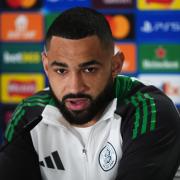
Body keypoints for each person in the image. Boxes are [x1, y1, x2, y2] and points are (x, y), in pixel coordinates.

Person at [0, 7, 180, 180]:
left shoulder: (149, 110)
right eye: (61, 71)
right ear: (46, 66)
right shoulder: (29, 114)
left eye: (89, 69)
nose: (75, 87)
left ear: (115, 65)